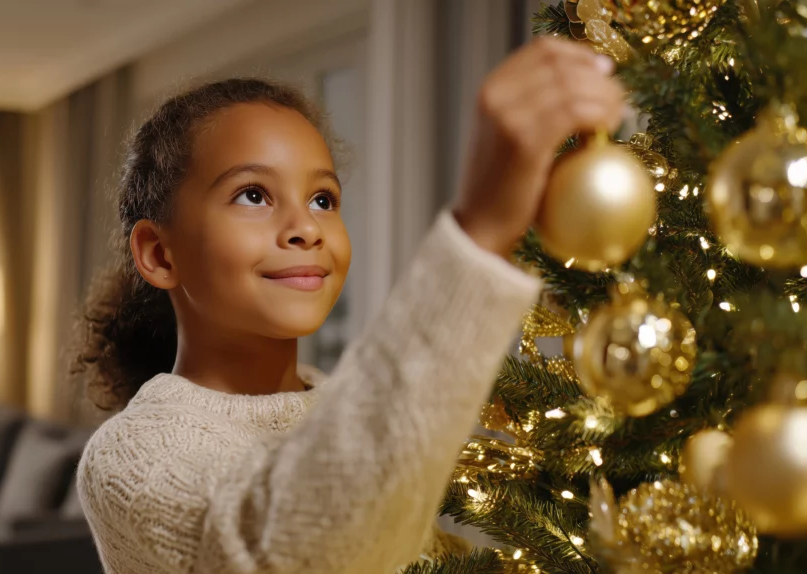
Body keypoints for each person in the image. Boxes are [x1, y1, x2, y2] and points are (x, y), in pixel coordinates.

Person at [73, 36, 626, 574]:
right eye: (253, 195)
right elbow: (289, 553)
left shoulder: (348, 405)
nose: (305, 228)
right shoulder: (129, 457)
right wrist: (478, 233)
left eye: (322, 199)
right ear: (159, 253)